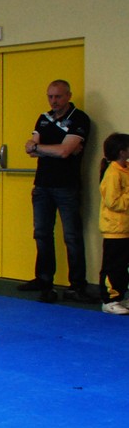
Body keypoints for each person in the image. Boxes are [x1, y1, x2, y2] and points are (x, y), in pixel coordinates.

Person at [18, 80, 97, 303]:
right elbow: (30, 149)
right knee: (42, 233)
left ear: (68, 96)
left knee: (72, 236)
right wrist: (45, 148)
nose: (53, 101)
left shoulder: (79, 119)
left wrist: (41, 148)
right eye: (50, 96)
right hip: (42, 185)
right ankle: (44, 280)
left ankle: (77, 285)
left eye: (58, 97)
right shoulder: (43, 118)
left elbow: (64, 151)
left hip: (66, 186)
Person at [97, 133, 129, 315]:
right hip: (115, 229)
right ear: (122, 152)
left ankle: (121, 296)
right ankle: (109, 299)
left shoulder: (125, 170)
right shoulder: (112, 173)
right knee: (114, 266)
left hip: (126, 228)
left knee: (123, 266)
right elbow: (113, 202)